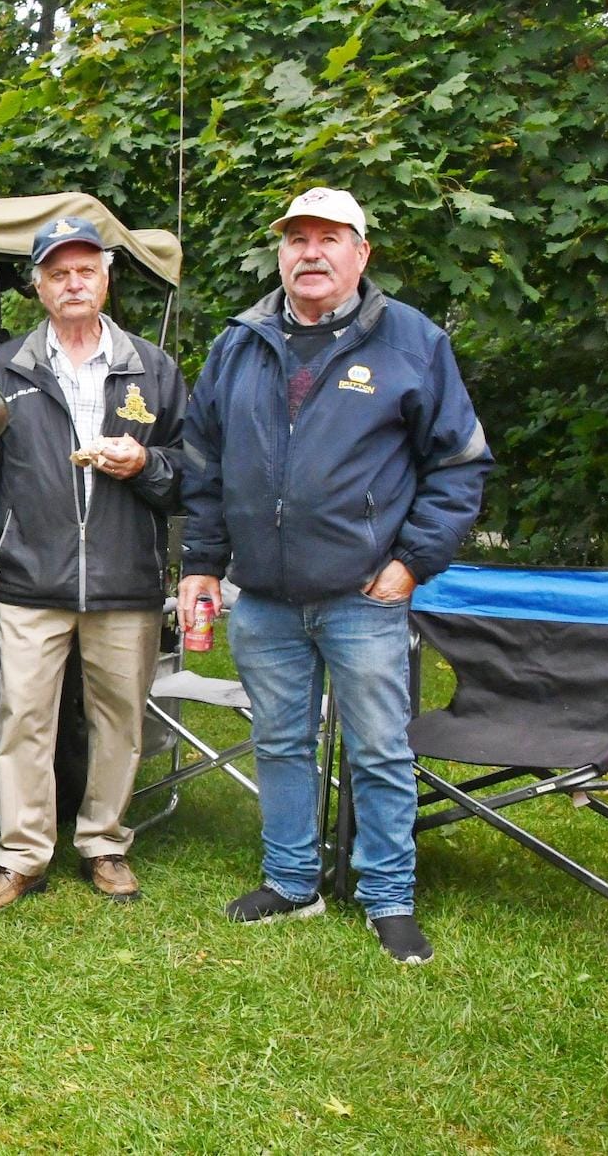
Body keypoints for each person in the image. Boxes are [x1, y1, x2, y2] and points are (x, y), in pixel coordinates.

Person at [178, 187, 492, 964]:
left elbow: (458, 466)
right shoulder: (239, 344)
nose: (310, 253)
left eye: (329, 238)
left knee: (380, 748)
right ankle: (293, 882)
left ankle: (388, 896)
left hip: (363, 594)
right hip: (266, 598)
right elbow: (204, 464)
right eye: (296, 239)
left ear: (361, 253)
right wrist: (202, 565)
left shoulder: (411, 341)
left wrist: (411, 562)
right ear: (280, 253)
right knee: (280, 741)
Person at [0, 216, 186, 912]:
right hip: (30, 576)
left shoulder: (153, 368)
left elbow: (192, 470)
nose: (73, 283)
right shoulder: (3, 370)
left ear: (106, 279)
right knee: (24, 716)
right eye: (58, 273)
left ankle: (104, 843)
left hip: (124, 578)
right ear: (39, 287)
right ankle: (21, 855)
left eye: (85, 270)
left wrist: (144, 462)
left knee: (118, 718)